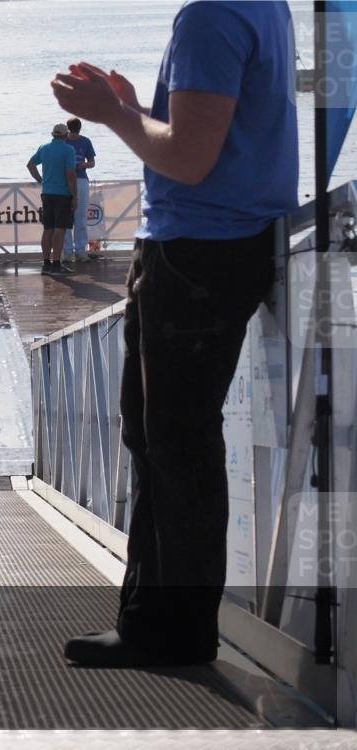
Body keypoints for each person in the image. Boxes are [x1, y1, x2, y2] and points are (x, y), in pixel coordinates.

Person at [51, 1, 298, 667]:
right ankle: (156, 622)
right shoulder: (262, 6)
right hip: (228, 243)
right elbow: (217, 135)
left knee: (174, 445)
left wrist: (113, 115)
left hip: (197, 250)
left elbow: (188, 160)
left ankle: (173, 631)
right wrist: (135, 108)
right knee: (162, 438)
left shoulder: (210, 14)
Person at [27, 123, 78, 275]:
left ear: (53, 134)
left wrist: (41, 180)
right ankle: (56, 264)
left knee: (48, 228)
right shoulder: (68, 150)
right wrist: (75, 196)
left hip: (47, 193)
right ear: (66, 134)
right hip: (62, 194)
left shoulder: (44, 148)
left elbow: (30, 165)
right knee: (59, 229)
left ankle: (46, 263)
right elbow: (70, 174)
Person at [62, 117, 97, 263]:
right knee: (65, 217)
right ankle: (67, 252)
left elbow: (92, 162)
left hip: (81, 179)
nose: (74, 135)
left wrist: (85, 165)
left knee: (81, 216)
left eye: (76, 132)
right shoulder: (62, 141)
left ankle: (80, 251)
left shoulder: (86, 141)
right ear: (67, 130)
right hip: (64, 181)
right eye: (72, 132)